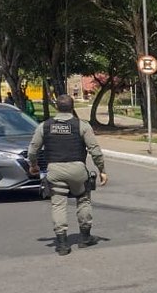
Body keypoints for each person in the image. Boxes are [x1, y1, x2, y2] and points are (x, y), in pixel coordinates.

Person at [27, 94, 109, 255]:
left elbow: (32, 150)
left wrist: (34, 166)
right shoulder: (82, 125)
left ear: (56, 107)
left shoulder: (44, 126)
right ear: (72, 108)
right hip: (78, 169)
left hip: (55, 170)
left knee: (58, 204)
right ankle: (85, 237)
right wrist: (102, 170)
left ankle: (62, 243)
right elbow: (95, 151)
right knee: (83, 200)